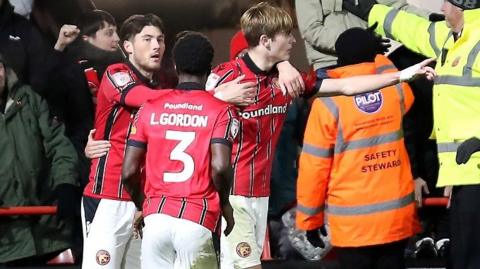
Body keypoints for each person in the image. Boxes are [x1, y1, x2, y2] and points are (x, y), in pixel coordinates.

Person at [205, 2, 436, 268]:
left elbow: (347, 86)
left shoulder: (287, 81)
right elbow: (189, 108)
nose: (294, 39)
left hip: (261, 194)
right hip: (233, 196)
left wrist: (403, 76)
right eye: (287, 35)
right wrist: (217, 97)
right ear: (266, 41)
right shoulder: (226, 76)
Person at [296, 26, 421, 269]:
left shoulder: (328, 103)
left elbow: (314, 167)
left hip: (351, 225)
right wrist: (380, 56)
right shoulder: (396, 91)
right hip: (395, 219)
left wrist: (310, 220)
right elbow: (397, 77)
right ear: (373, 55)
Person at [368, 1, 480, 268]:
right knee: (463, 256)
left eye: (448, 3)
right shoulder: (449, 36)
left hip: (475, 171)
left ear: (462, 7)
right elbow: (411, 28)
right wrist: (370, 10)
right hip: (464, 174)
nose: (442, 8)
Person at [122, 31, 238, 269]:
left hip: (156, 220)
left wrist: (142, 204)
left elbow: (128, 171)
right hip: (197, 219)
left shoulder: (149, 109)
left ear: (174, 65)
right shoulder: (221, 111)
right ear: (210, 67)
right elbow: (220, 166)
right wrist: (225, 203)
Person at [0, 54, 79, 264]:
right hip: (7, 242)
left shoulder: (30, 99)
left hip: (51, 231)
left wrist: (66, 183)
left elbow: (58, 145)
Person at [294, 0, 432, 71]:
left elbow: (399, 7)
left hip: (370, 62)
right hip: (331, 65)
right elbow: (311, 30)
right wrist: (356, 44)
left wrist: (431, 19)